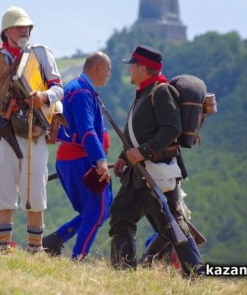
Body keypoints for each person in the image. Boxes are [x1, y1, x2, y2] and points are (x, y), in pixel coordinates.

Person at [0, 6, 63, 253]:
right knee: (3, 189)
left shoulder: (40, 54)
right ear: (6, 31)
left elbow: (59, 87)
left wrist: (44, 96)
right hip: (1, 131)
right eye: (19, 26)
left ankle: (35, 249)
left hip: (34, 129)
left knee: (36, 191)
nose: (24, 30)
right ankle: (2, 248)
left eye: (26, 26)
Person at [108, 45, 204, 277]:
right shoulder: (145, 92)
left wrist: (142, 152)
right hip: (139, 173)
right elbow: (139, 131)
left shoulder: (160, 91)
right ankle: (124, 274)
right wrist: (123, 156)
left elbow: (172, 129)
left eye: (133, 64)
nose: (129, 68)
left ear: (143, 67)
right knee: (121, 217)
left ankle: (196, 275)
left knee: (172, 226)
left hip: (156, 172)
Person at [42, 52, 113, 260]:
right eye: (108, 70)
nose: (109, 75)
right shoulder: (82, 91)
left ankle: (56, 240)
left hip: (71, 160)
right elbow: (87, 131)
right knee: (97, 211)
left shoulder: (78, 88)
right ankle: (77, 259)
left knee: (102, 208)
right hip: (80, 160)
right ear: (98, 68)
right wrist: (100, 161)